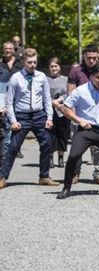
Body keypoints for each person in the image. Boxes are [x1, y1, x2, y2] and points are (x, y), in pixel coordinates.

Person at [56, 63, 99, 199]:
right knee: (73, 157)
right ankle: (66, 188)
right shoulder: (80, 91)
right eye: (98, 77)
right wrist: (78, 120)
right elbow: (65, 108)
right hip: (86, 130)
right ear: (92, 77)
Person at [0, 48, 59, 189]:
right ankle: (2, 177)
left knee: (47, 144)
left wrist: (49, 118)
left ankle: (44, 176)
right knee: (13, 147)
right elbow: (9, 101)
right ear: (23, 62)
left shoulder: (41, 77)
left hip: (39, 115)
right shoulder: (16, 77)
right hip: (22, 116)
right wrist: (13, 121)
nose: (33, 65)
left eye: (35, 62)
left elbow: (46, 98)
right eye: (30, 62)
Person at [68, 44, 99, 185]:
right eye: (89, 58)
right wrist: (75, 118)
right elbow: (71, 91)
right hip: (79, 117)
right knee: (77, 148)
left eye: (95, 58)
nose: (92, 61)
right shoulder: (76, 71)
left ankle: (98, 174)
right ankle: (75, 173)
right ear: (84, 56)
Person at [1, 41, 24, 159]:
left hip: (18, 98)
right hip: (4, 98)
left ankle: (16, 148)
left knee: (18, 124)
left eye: (10, 48)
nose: (8, 50)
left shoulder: (20, 64)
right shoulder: (1, 64)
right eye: (6, 49)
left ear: (13, 50)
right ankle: (6, 153)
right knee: (6, 126)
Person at [47, 57, 70, 168]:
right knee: (50, 135)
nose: (54, 68)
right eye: (52, 66)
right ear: (49, 68)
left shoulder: (66, 79)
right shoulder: (45, 79)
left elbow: (69, 93)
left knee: (62, 135)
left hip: (62, 110)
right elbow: (42, 94)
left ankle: (61, 158)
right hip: (49, 111)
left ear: (60, 67)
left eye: (56, 66)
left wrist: (60, 100)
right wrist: (52, 101)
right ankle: (50, 158)